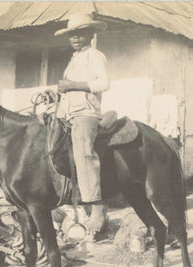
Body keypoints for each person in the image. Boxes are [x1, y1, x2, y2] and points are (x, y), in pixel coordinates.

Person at [54, 14, 110, 237]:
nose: (75, 38)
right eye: (71, 35)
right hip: (67, 115)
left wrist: (72, 85)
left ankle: (97, 208)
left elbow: (104, 83)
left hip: (85, 114)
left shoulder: (94, 55)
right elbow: (68, 92)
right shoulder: (74, 58)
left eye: (79, 33)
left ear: (90, 34)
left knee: (83, 153)